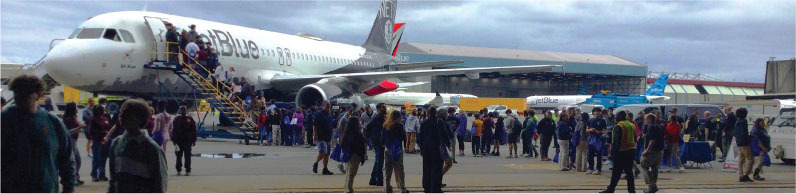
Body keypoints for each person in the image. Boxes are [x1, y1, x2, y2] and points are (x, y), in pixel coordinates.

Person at [1, 75, 75, 192]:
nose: (19, 101)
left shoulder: (53, 123)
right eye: (17, 96)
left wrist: (69, 187)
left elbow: (66, 158)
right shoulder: (4, 120)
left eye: (25, 97)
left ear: (38, 95)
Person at [107, 99, 168, 192]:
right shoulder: (116, 143)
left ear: (140, 118)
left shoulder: (152, 149)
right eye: (121, 112)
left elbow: (160, 184)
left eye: (127, 113)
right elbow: (113, 180)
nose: (121, 116)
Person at [600, 111, 636, 193]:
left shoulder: (619, 126)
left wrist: (612, 153)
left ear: (620, 117)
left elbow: (616, 141)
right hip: (630, 151)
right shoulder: (631, 125)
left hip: (621, 152)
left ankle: (611, 189)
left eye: (617, 116)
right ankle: (632, 190)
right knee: (629, 173)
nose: (615, 117)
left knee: (616, 172)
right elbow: (635, 138)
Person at [418, 107, 447, 193]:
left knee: (426, 169)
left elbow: (420, 137)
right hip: (437, 148)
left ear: (428, 113)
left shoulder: (424, 123)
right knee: (437, 169)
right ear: (436, 113)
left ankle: (427, 187)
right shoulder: (439, 122)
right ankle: (435, 188)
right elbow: (444, 135)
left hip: (426, 149)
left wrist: (422, 147)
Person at [382, 110, 408, 193]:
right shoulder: (399, 126)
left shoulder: (386, 125)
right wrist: (404, 145)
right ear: (398, 117)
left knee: (387, 170)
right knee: (399, 169)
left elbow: (382, 139)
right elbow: (404, 137)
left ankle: (387, 187)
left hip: (388, 149)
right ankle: (402, 187)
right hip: (397, 150)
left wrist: (385, 145)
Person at [341, 117, 368, 193]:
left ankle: (346, 187)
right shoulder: (358, 134)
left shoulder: (347, 132)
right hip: (356, 155)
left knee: (348, 171)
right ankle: (349, 188)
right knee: (352, 173)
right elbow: (362, 147)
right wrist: (363, 158)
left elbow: (342, 144)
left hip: (348, 154)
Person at [63, 102, 87, 186]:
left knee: (77, 160)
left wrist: (80, 127)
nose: (77, 109)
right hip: (71, 141)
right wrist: (79, 128)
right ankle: (73, 179)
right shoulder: (69, 119)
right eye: (76, 107)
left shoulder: (73, 118)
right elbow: (67, 132)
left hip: (74, 140)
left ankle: (76, 177)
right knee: (75, 161)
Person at [640, 114, 664, 193]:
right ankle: (653, 185)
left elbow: (652, 140)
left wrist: (647, 150)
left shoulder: (651, 127)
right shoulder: (659, 126)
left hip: (652, 151)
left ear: (649, 119)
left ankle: (651, 185)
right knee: (654, 167)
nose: (644, 120)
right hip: (659, 151)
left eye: (645, 119)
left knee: (643, 164)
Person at [89, 105, 112, 182]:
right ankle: (94, 175)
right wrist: (102, 133)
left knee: (103, 158)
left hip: (105, 141)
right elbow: (91, 131)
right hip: (97, 141)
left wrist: (108, 134)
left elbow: (109, 127)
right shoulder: (93, 120)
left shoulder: (105, 119)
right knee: (97, 158)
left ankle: (102, 174)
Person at [366, 103, 387, 186]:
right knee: (380, 161)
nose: (384, 108)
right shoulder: (380, 118)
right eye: (383, 107)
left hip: (376, 141)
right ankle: (379, 180)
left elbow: (368, 127)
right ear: (378, 109)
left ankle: (373, 179)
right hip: (379, 142)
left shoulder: (377, 117)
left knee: (378, 160)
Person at [172, 105, 197, 176]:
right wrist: (174, 140)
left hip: (187, 140)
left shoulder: (190, 119)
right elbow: (174, 130)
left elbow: (193, 130)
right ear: (180, 111)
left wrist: (194, 140)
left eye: (184, 110)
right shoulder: (176, 119)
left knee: (187, 155)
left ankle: (188, 170)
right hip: (179, 140)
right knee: (178, 156)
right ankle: (178, 169)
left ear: (186, 110)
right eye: (182, 110)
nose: (183, 111)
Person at [312, 102, 335, 175]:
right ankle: (316, 163)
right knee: (322, 152)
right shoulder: (319, 114)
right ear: (323, 106)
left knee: (327, 154)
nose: (328, 107)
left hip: (328, 137)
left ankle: (325, 169)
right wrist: (315, 135)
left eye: (329, 106)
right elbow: (315, 125)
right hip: (321, 136)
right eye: (327, 106)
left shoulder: (329, 114)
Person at [734, 108, 754, 182]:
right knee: (751, 159)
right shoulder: (744, 121)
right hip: (745, 143)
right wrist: (750, 137)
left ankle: (741, 175)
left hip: (739, 143)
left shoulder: (737, 122)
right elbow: (744, 133)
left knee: (741, 160)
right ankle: (746, 174)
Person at [586, 108, 607, 175]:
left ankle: (598, 169)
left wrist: (599, 132)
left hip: (599, 140)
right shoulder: (590, 120)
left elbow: (605, 131)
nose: (597, 112)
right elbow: (586, 129)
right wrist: (590, 130)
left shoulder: (602, 121)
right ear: (593, 112)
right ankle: (591, 168)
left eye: (598, 111)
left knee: (599, 155)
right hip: (591, 139)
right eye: (595, 111)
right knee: (590, 154)